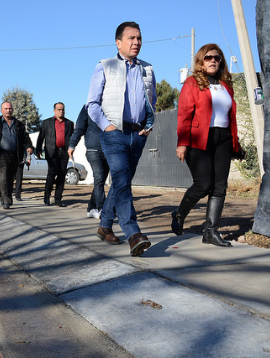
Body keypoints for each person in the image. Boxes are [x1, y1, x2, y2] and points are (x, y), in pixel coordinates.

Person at [86, 21, 156, 257]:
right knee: (123, 183)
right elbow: (92, 104)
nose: (136, 42)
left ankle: (105, 225)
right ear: (118, 42)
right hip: (113, 134)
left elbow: (151, 102)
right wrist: (107, 126)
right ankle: (133, 233)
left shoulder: (147, 69)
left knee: (120, 183)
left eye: (139, 38)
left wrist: (148, 125)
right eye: (131, 38)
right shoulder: (105, 66)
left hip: (137, 135)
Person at [172, 43, 244, 247]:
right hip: (198, 138)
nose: (213, 60)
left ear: (221, 62)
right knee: (204, 184)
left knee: (220, 186)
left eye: (217, 57)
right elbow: (184, 115)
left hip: (223, 139)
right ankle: (179, 214)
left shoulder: (226, 86)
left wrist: (234, 143)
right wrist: (182, 143)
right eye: (208, 57)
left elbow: (231, 118)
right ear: (201, 62)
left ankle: (210, 232)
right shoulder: (192, 83)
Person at [0, 102, 33, 209]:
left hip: (15, 155)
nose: (8, 110)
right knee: (3, 177)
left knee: (10, 178)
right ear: (1, 110)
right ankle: (7, 200)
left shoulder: (18, 124)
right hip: (1, 154)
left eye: (10, 108)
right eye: (6, 108)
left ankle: (3, 197)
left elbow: (26, 137)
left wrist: (29, 146)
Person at [68, 105, 109, 219]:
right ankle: (102, 209)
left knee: (100, 180)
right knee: (99, 177)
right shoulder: (88, 107)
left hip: (109, 149)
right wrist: (72, 145)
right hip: (93, 149)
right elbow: (79, 128)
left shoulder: (111, 104)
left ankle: (91, 208)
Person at [36, 102, 74, 207]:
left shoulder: (69, 123)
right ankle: (47, 197)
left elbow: (73, 138)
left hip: (64, 152)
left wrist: (72, 148)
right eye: (59, 109)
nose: (61, 111)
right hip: (52, 152)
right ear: (54, 111)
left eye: (63, 109)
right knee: (51, 174)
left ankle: (58, 199)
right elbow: (41, 137)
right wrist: (38, 150)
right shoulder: (46, 123)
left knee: (62, 175)